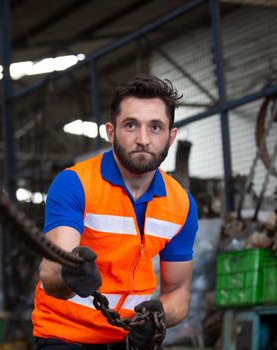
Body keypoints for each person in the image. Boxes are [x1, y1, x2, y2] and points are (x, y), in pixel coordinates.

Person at [32, 74, 198, 350]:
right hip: (64, 336)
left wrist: (157, 316)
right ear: (111, 132)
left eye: (155, 127)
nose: (143, 139)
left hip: (126, 339)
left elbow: (179, 292)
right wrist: (69, 272)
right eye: (131, 125)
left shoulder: (182, 205)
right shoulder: (75, 184)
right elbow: (51, 276)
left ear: (171, 137)